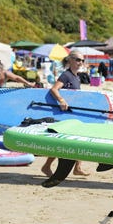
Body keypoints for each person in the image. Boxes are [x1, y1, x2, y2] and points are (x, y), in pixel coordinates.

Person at [41, 50, 90, 178]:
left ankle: (78, 167)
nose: (81, 63)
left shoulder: (76, 76)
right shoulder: (66, 75)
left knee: (78, 139)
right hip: (64, 114)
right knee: (62, 142)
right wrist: (61, 100)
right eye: (78, 60)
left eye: (82, 60)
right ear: (70, 60)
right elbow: (54, 89)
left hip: (73, 113)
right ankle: (46, 166)